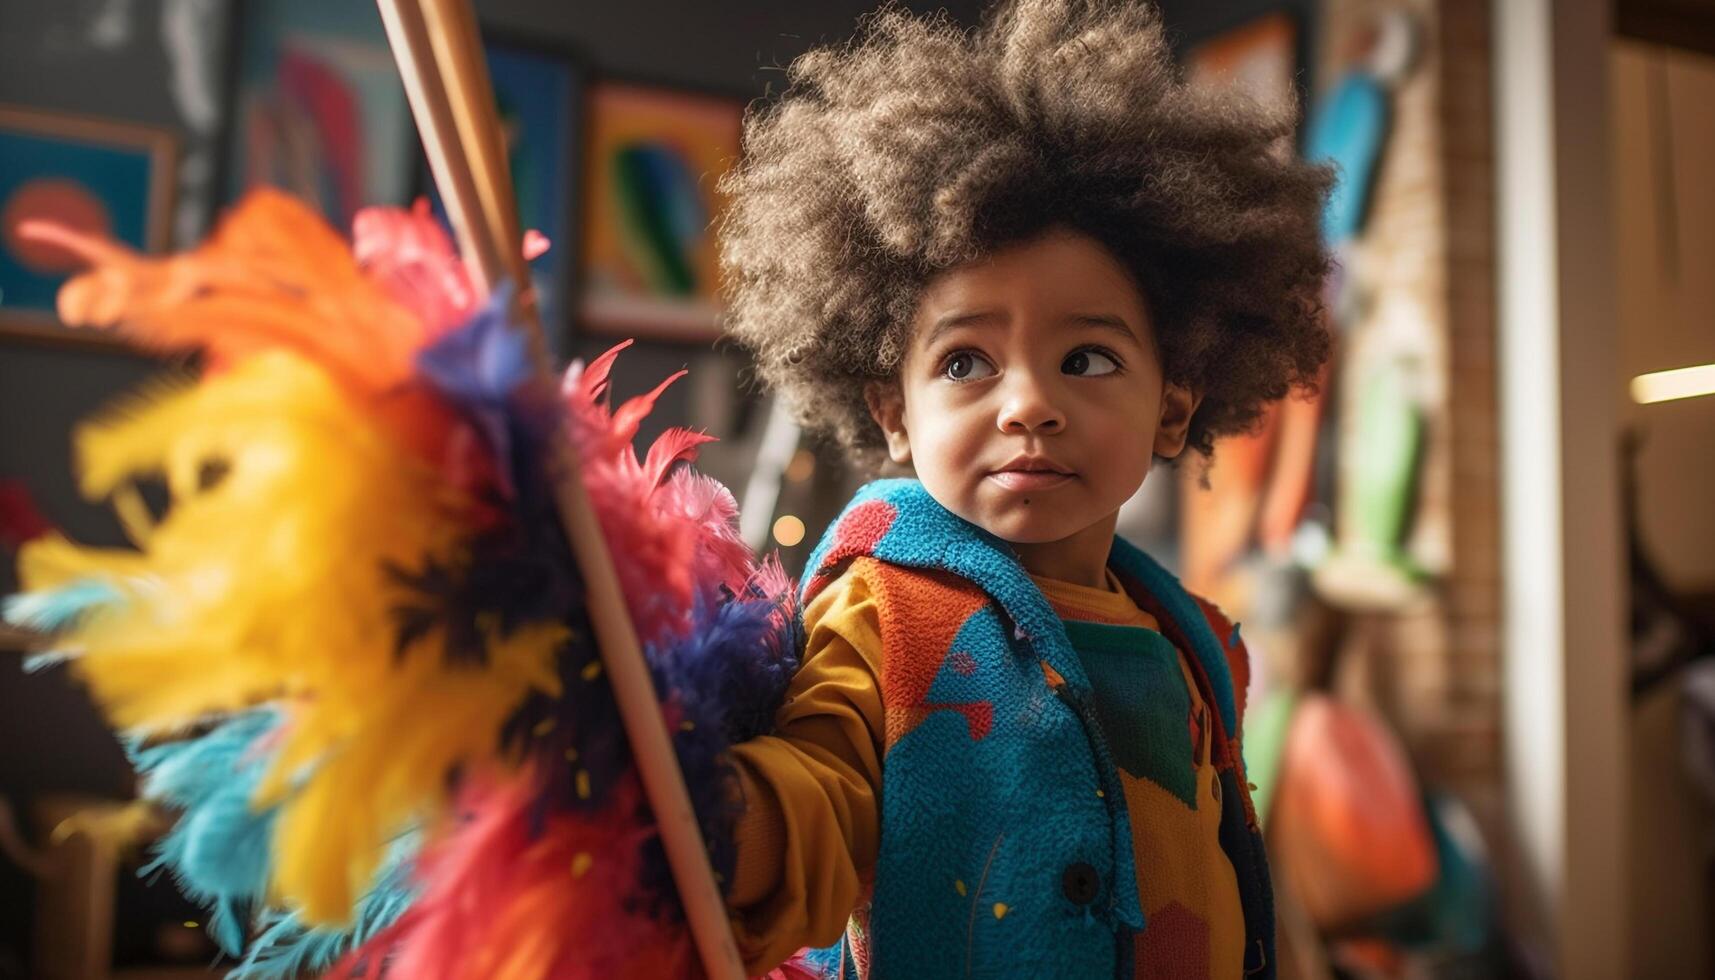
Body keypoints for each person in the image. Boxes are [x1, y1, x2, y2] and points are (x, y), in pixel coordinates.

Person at [716, 1, 1332, 976]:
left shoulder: (1198, 643)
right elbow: (818, 789)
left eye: (1084, 356)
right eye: (965, 362)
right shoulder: (880, 609)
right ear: (894, 413)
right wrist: (722, 816)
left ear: (1172, 405)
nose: (1028, 405)